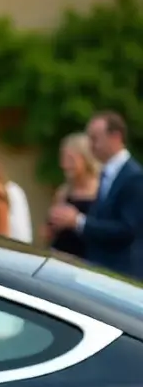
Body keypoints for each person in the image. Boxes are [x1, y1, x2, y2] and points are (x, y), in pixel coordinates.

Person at [50, 111, 143, 279]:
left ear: (115, 137)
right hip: (97, 268)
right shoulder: (107, 173)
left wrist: (78, 221)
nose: (91, 146)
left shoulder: (133, 177)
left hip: (119, 272)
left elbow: (127, 229)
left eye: (95, 139)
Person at [43, 132, 100, 259]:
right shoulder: (64, 191)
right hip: (59, 256)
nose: (65, 165)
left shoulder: (101, 192)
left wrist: (76, 221)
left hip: (88, 261)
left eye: (71, 159)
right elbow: (48, 232)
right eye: (63, 159)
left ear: (86, 159)